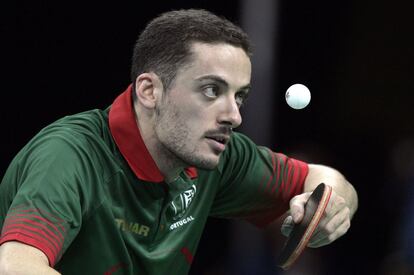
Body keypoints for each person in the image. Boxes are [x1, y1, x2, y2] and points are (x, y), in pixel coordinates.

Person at [0, 9, 358, 275]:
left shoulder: (217, 155)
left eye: (240, 96)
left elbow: (322, 177)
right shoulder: (70, 157)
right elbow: (16, 265)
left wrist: (331, 205)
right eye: (211, 90)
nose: (233, 115)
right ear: (150, 90)